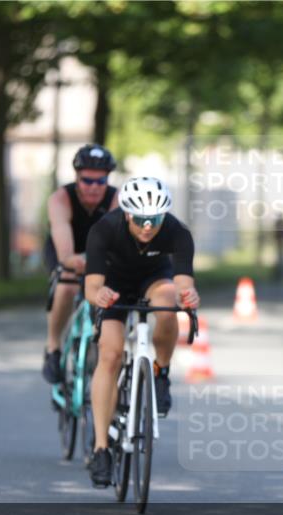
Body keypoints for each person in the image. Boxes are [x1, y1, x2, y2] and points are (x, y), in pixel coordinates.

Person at [84, 176, 199, 487]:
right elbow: (91, 285)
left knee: (167, 301)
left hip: (154, 278)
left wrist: (189, 295)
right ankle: (101, 449)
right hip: (114, 283)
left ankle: (160, 372)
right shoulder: (104, 229)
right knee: (110, 353)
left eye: (155, 219)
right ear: (126, 214)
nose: (148, 226)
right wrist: (100, 296)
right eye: (141, 219)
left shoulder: (177, 232)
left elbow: (184, 281)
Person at [42, 144, 120, 384]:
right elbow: (66, 254)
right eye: (87, 180)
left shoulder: (117, 198)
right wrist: (71, 260)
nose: (94, 187)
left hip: (101, 254)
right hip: (67, 249)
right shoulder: (60, 199)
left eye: (101, 181)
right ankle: (53, 346)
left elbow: (118, 241)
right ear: (76, 177)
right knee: (67, 286)